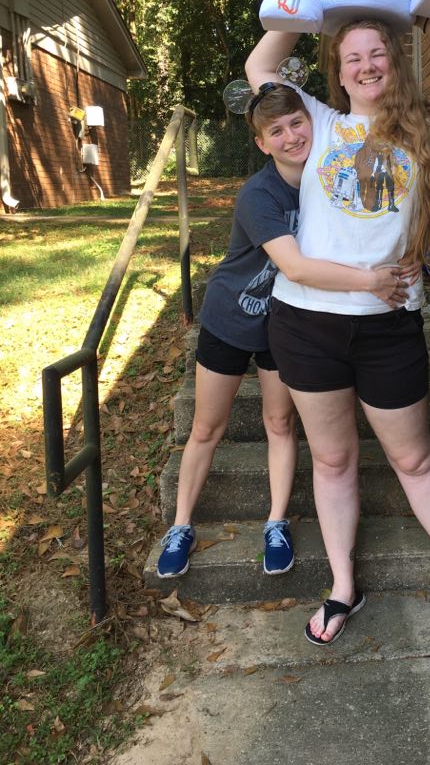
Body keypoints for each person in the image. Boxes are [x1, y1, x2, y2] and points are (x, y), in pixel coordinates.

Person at [245, 15, 430, 645]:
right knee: (333, 460)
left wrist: (425, 9)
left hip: (388, 325)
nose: (365, 66)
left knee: (412, 458)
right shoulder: (321, 123)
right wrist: (301, 1)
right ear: (336, 73)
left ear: (395, 57)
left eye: (377, 53)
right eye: (351, 58)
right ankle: (343, 587)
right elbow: (261, 69)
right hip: (305, 324)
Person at [156, 84, 412, 579]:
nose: (292, 136)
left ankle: (275, 521)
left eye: (297, 122)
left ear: (312, 120)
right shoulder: (259, 194)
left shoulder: (329, 178)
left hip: (286, 323)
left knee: (280, 424)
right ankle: (181, 524)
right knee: (207, 427)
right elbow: (293, 266)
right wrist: (371, 282)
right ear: (262, 143)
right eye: (276, 131)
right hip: (232, 317)